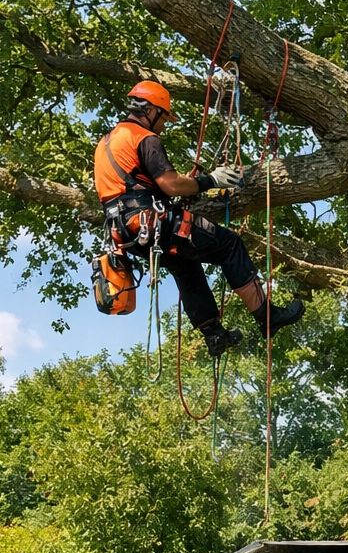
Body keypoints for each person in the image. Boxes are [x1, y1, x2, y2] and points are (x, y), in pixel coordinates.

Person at [94, 80, 304, 357]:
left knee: (186, 267)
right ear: (152, 111)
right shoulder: (144, 138)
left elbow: (132, 189)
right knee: (229, 244)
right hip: (153, 223)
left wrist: (173, 198)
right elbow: (170, 184)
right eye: (164, 118)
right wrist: (210, 180)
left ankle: (215, 336)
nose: (164, 126)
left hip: (130, 234)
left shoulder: (106, 143)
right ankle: (267, 317)